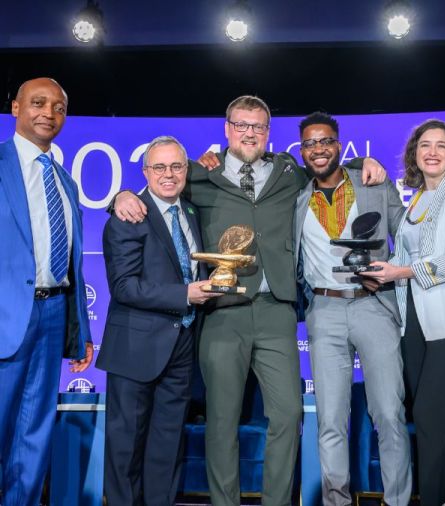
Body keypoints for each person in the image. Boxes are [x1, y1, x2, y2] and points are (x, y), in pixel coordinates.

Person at [111, 95, 385, 506]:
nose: (249, 133)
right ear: (227, 129)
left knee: (290, 414)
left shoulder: (289, 172)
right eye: (241, 125)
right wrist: (122, 195)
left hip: (276, 310)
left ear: (268, 132)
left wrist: (361, 164)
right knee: (221, 421)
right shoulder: (201, 175)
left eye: (257, 126)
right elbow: (160, 190)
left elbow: (325, 169)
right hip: (222, 312)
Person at [294, 112, 411, 506]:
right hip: (323, 310)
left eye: (325, 141)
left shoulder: (373, 182)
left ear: (339, 144)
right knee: (329, 421)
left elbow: (408, 237)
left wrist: (396, 274)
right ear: (302, 151)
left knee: (389, 415)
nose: (318, 149)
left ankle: (397, 500)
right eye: (310, 143)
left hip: (374, 306)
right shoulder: (295, 196)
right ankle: (336, 501)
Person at [97, 136, 221, 505]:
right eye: (159, 168)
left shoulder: (192, 212)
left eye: (177, 166)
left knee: (167, 447)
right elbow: (124, 288)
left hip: (181, 346)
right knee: (125, 449)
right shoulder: (127, 215)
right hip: (136, 348)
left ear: (187, 170)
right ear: (146, 172)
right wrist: (185, 295)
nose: (169, 175)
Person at [361, 119, 445, 506]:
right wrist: (379, 273)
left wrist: (402, 272)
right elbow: (405, 255)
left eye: (441, 146)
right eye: (424, 145)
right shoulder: (417, 199)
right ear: (414, 153)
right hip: (411, 321)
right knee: (430, 421)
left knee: (430, 415)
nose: (432, 152)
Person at [0, 77, 94, 506]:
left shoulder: (64, 181)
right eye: (38, 103)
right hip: (7, 316)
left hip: (53, 314)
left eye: (58, 107)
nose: (48, 113)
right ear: (16, 106)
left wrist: (81, 331)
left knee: (34, 431)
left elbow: (73, 262)